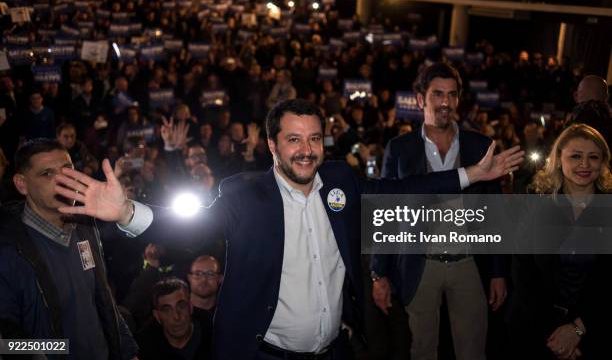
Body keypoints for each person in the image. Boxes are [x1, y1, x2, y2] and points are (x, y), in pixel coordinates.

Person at [59, 99, 523, 360]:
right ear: (272, 145)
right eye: (294, 139)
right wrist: (126, 214)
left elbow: (401, 187)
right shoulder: (244, 195)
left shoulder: (340, 180)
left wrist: (469, 176)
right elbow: (191, 227)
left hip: (335, 351)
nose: (307, 150)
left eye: (315, 138)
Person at [371, 62, 508, 360]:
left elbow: (494, 213)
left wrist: (497, 272)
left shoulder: (481, 146)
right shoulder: (399, 148)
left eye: (452, 94)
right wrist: (377, 273)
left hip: (469, 264)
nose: (445, 102)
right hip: (419, 264)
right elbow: (385, 213)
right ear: (421, 99)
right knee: (421, 351)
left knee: (473, 351)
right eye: (437, 94)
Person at [0, 138, 153, 360]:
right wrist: (54, 352)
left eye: (67, 171)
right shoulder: (8, 248)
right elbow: (6, 341)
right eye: (47, 174)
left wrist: (127, 351)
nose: (61, 181)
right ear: (21, 184)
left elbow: (103, 300)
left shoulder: (85, 227)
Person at [506, 123, 612, 360]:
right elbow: (523, 270)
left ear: (602, 162)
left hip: (592, 331)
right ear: (558, 158)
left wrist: (577, 330)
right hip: (534, 329)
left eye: (593, 157)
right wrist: (554, 334)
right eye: (575, 156)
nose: (584, 164)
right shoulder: (536, 203)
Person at [137, 277, 210, 360]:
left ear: (191, 306)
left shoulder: (215, 331)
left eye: (181, 306)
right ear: (157, 316)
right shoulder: (143, 347)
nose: (176, 317)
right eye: (166, 310)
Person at [187, 255, 223, 330]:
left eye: (210, 274)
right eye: (197, 274)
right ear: (189, 278)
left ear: (220, 279)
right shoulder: (178, 313)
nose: (203, 279)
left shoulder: (227, 313)